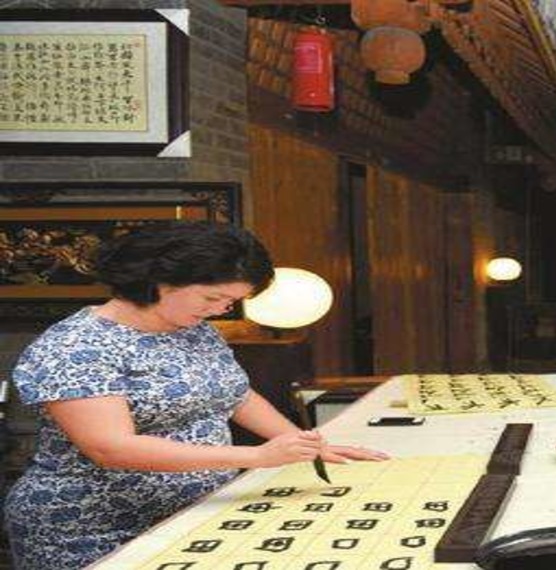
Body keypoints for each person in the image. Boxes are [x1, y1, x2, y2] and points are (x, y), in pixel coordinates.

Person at [3, 221, 388, 569]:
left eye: (231, 301)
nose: (222, 309)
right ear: (161, 282)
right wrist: (255, 457)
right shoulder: (77, 346)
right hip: (91, 526)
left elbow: (236, 396)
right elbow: (111, 447)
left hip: (188, 511)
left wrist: (301, 443)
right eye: (212, 298)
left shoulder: (193, 329)